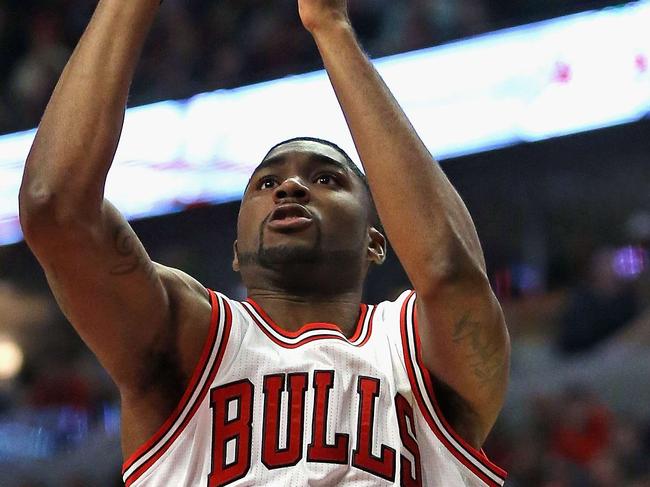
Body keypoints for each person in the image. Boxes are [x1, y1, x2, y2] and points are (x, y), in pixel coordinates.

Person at [18, 0, 510, 485]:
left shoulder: (413, 350)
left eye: (326, 179)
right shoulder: (192, 336)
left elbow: (449, 269)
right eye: (266, 184)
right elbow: (54, 207)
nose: (291, 188)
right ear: (236, 252)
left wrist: (331, 26)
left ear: (374, 244)